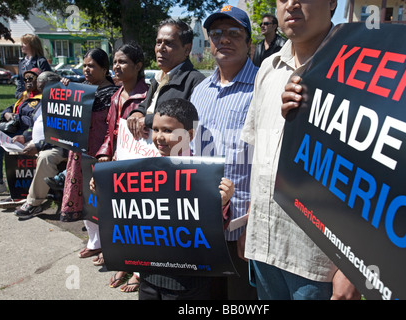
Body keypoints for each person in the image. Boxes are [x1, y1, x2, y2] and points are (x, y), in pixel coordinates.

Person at [240, 0, 360, 300]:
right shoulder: (268, 67)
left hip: (318, 263)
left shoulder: (360, 69)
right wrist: (250, 224)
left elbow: (374, 176)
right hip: (265, 250)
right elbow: (261, 155)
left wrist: (353, 269)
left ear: (333, 3)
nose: (291, 3)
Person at [189, 5, 258, 300]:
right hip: (204, 225)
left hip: (242, 229)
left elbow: (272, 162)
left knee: (241, 302)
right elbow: (191, 153)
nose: (224, 39)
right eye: (216, 33)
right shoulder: (200, 91)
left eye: (234, 33)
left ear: (249, 44)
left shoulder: (263, 89)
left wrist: (252, 225)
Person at [137, 98, 234, 300]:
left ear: (189, 135)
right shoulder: (141, 171)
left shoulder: (205, 174)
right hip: (149, 275)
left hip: (187, 281)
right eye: (155, 129)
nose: (159, 137)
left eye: (168, 130)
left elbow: (216, 228)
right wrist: (103, 189)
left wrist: (222, 203)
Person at [58, 48, 119, 274]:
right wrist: (62, 89)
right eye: (84, 65)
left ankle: (108, 245)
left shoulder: (113, 94)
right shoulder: (78, 90)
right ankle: (94, 242)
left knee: (101, 200)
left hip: (101, 154)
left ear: (105, 69)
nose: (86, 69)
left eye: (92, 66)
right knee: (83, 198)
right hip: (79, 152)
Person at [95, 42, 148, 293]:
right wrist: (105, 153)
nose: (116, 66)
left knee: (139, 216)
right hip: (117, 161)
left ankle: (140, 270)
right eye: (115, 61)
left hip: (138, 165)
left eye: (123, 62)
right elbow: (110, 132)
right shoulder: (116, 95)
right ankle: (124, 260)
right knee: (120, 215)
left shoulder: (147, 96)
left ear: (138, 66)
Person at [126, 18, 205, 141]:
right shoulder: (158, 79)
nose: (160, 49)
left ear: (187, 49)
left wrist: (146, 120)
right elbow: (147, 106)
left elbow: (185, 120)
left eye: (169, 43)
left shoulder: (196, 82)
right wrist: (137, 113)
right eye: (158, 43)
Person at [13, 71, 67, 220]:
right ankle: (19, 193)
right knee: (12, 148)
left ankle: (34, 203)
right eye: (40, 88)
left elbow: (64, 135)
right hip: (40, 143)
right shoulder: (44, 101)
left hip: (59, 147)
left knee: (45, 158)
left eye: (45, 88)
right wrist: (24, 137)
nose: (42, 92)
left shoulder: (65, 104)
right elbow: (35, 125)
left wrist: (39, 145)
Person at [0, 67, 42, 204]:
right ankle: (0, 182)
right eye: (26, 79)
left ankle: (20, 192)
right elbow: (9, 109)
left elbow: (37, 124)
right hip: (15, 132)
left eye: (32, 78)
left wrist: (25, 136)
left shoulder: (42, 99)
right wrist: (7, 114)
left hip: (28, 135)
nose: (28, 82)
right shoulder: (25, 96)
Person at [16, 34, 52, 99]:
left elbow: (49, 80)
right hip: (24, 98)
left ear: (32, 45)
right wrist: (19, 94)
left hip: (37, 98)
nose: (21, 45)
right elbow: (19, 80)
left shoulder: (41, 61)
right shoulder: (21, 62)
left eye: (24, 43)